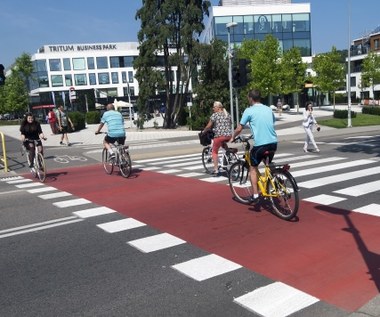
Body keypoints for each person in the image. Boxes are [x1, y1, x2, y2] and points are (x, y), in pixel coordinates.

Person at [230, 89, 278, 204]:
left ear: (250, 98)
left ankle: (255, 195)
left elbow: (239, 128)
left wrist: (232, 138)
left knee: (252, 167)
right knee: (267, 165)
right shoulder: (268, 109)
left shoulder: (249, 111)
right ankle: (273, 184)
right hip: (273, 142)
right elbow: (271, 122)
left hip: (261, 144)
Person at [202, 101, 232, 176]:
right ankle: (227, 157)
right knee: (224, 145)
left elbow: (209, 126)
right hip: (228, 136)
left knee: (214, 152)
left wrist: (204, 131)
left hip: (219, 136)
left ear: (218, 108)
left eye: (214, 107)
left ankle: (216, 170)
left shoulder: (215, 115)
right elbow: (230, 123)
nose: (213, 108)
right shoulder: (227, 114)